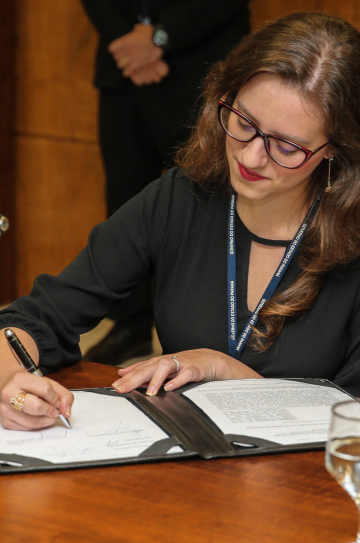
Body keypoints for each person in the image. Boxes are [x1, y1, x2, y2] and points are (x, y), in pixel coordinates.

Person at [0, 12, 360, 430]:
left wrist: (224, 370)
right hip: (186, 477)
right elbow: (31, 319)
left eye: (286, 147)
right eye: (243, 121)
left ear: (336, 149)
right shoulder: (181, 198)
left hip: (307, 492)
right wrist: (8, 386)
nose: (249, 156)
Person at [79, 0, 250, 364]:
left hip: (199, 71)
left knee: (209, 206)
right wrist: (128, 45)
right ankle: (131, 325)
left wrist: (159, 39)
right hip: (123, 73)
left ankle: (212, 332)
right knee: (125, 201)